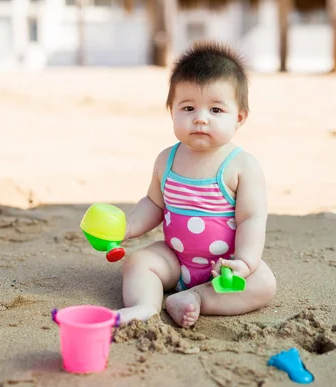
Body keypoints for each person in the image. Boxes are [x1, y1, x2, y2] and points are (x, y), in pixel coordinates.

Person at [117, 41, 276, 328]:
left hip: (224, 268)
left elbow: (252, 218)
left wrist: (245, 262)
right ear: (172, 112)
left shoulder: (242, 166)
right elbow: (154, 203)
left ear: (239, 118)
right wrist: (128, 227)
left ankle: (198, 298)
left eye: (216, 110)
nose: (200, 119)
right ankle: (145, 306)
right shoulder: (167, 159)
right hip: (175, 259)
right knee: (138, 262)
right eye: (188, 108)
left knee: (263, 283)